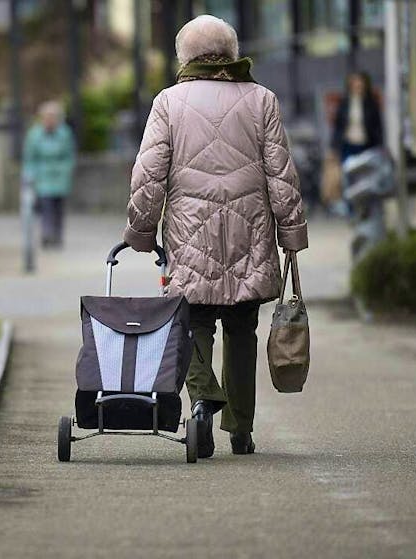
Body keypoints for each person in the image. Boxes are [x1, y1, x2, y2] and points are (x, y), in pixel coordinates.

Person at [122, 15, 308, 458]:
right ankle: (241, 429)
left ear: (184, 57)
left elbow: (148, 175)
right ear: (231, 52)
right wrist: (291, 231)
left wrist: (141, 230)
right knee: (242, 329)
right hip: (250, 232)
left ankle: (203, 401)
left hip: (191, 236)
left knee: (191, 323)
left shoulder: (169, 102)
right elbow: (282, 175)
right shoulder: (262, 99)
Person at [23, 101, 76, 248]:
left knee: (59, 208)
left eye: (53, 117)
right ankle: (47, 234)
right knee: (46, 207)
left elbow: (69, 155)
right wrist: (30, 176)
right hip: (43, 177)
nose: (50, 120)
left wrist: (66, 170)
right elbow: (30, 158)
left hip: (60, 176)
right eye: (47, 117)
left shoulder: (65, 133)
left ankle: (57, 236)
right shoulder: (34, 135)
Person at [331, 71, 383, 162]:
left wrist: (379, 144)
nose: (357, 86)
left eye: (360, 84)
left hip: (366, 145)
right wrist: (334, 146)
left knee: (366, 169)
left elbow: (377, 126)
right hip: (348, 144)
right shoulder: (344, 103)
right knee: (348, 167)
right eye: (354, 84)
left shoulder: (371, 104)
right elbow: (338, 126)